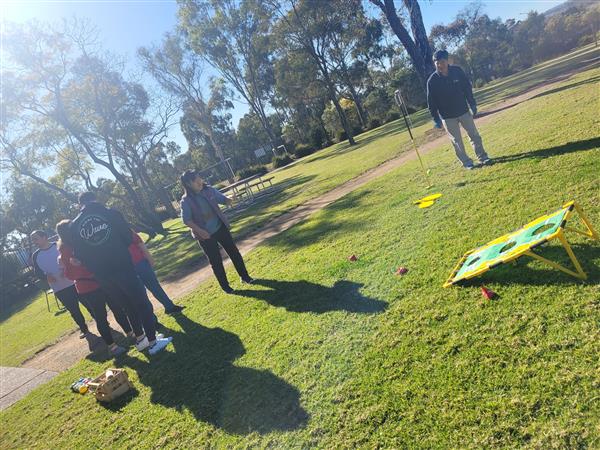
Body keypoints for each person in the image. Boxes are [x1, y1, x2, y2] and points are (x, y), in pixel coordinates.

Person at [69, 192, 171, 355]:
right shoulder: (111, 214)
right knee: (142, 303)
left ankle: (141, 339)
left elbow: (79, 254)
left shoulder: (74, 226)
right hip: (122, 266)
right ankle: (152, 341)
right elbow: (127, 238)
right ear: (96, 199)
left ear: (80, 204)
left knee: (127, 305)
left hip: (102, 275)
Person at [56, 220, 132, 357]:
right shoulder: (66, 250)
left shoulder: (79, 242)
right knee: (101, 316)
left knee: (117, 308)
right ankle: (112, 347)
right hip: (88, 286)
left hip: (101, 281)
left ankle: (130, 333)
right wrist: (85, 267)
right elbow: (70, 273)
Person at [180, 170, 253, 294]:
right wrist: (199, 231)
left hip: (220, 227)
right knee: (216, 261)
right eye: (196, 180)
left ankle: (245, 277)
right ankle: (226, 287)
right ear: (188, 183)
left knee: (234, 252)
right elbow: (186, 220)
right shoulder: (186, 201)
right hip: (205, 236)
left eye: (199, 178)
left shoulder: (209, 190)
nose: (200, 181)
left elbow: (224, 200)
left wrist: (231, 199)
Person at [427, 49, 491, 170]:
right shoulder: (432, 81)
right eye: (436, 63)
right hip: (447, 116)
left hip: (463, 110)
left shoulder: (457, 71)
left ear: (447, 60)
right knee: (457, 142)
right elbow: (431, 102)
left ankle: (483, 157)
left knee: (474, 135)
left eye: (442, 62)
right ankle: (467, 163)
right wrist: (436, 118)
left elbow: (467, 87)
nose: (440, 65)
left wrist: (472, 104)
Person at [30, 230, 93, 339]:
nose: (34, 242)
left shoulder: (58, 245)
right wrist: (46, 277)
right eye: (33, 240)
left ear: (44, 237)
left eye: (36, 239)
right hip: (59, 288)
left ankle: (101, 322)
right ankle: (84, 330)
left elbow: (71, 258)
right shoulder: (35, 256)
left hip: (74, 282)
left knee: (88, 303)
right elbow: (38, 273)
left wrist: (68, 270)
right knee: (73, 310)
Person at [129, 231, 184, 314]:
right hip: (128, 268)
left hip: (141, 263)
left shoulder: (127, 231)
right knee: (141, 293)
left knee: (154, 287)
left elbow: (140, 244)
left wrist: (149, 258)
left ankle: (169, 307)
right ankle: (152, 320)